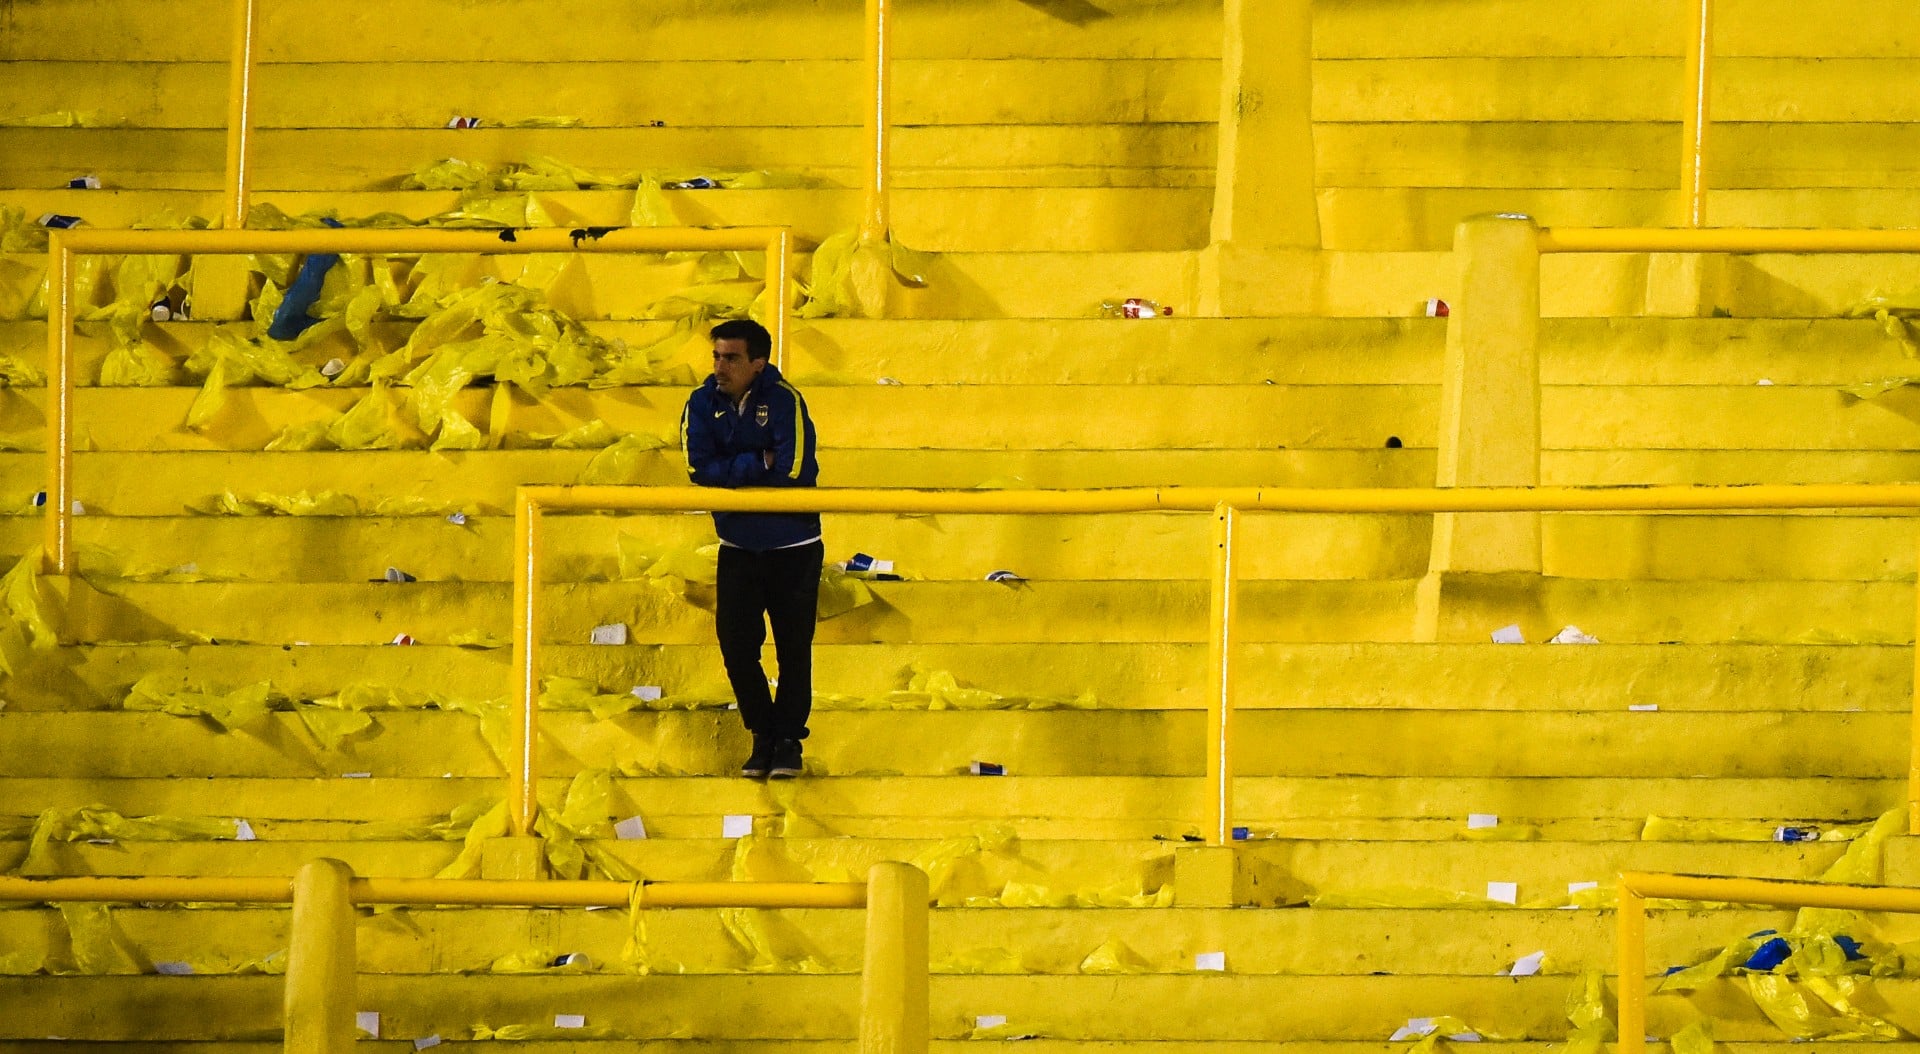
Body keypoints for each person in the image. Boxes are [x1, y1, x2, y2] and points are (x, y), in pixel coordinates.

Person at [680, 319, 822, 779]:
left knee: (794, 649)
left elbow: (795, 468)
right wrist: (759, 460)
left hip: (794, 547)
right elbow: (698, 469)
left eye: (731, 358)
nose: (720, 366)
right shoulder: (700, 403)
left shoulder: (786, 401)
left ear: (758, 363)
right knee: (737, 646)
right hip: (737, 546)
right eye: (716, 356)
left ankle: (788, 742)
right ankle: (763, 734)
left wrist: (734, 468)